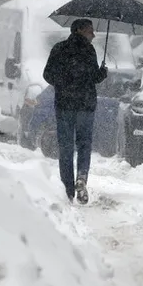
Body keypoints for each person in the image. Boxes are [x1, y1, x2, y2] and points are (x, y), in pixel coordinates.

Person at [43, 19, 108, 203]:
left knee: (65, 146)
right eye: (90, 31)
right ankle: (81, 177)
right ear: (79, 30)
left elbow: (47, 74)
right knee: (84, 144)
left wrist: (63, 82)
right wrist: (102, 73)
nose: (93, 34)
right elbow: (94, 78)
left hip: (64, 104)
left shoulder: (59, 49)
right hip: (85, 105)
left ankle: (68, 189)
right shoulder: (88, 51)